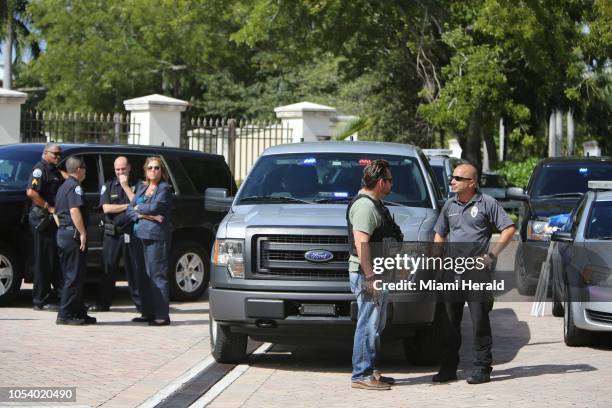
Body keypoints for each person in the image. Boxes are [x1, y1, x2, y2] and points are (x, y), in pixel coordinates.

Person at [432, 163, 516, 384]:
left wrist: (492, 255)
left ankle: (482, 367)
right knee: (450, 322)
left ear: (472, 182)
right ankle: (448, 368)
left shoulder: (487, 203)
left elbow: (508, 228)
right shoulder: (449, 205)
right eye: (452, 177)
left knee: (479, 320)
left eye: (458, 178)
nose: (453, 181)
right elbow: (440, 234)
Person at [346, 159, 403, 390]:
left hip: (378, 274)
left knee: (375, 325)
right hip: (368, 275)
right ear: (380, 182)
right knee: (367, 325)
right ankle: (361, 374)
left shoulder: (375, 204)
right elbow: (362, 244)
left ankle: (371, 371)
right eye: (389, 180)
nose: (391, 183)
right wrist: (370, 278)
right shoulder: (365, 207)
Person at [92, 156, 142, 312]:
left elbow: (140, 205)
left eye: (123, 169)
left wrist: (126, 187)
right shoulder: (108, 186)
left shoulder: (138, 185)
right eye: (117, 169)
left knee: (134, 271)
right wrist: (128, 206)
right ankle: (103, 303)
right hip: (112, 234)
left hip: (130, 234)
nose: (121, 172)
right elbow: (106, 208)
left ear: (129, 168)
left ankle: (141, 306)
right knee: (108, 269)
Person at [127, 157, 172, 326]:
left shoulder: (164, 188)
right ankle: (147, 312)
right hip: (139, 235)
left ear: (162, 171)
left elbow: (156, 207)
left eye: (157, 168)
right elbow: (130, 209)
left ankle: (161, 315)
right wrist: (143, 214)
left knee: (157, 275)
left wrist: (140, 209)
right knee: (143, 276)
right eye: (150, 168)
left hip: (156, 237)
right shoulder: (141, 187)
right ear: (145, 170)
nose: (153, 171)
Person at [54, 156, 96, 325]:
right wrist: (82, 233)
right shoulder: (74, 187)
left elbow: (56, 213)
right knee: (73, 276)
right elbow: (74, 211)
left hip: (64, 234)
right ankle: (65, 314)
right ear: (78, 170)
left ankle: (78, 311)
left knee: (74, 275)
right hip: (72, 236)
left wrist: (63, 229)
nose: (86, 171)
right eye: (84, 168)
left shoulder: (62, 187)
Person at [26, 143, 65, 311]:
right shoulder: (39, 169)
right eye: (55, 154)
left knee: (53, 260)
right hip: (43, 220)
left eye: (59, 154)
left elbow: (65, 178)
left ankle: (60, 296)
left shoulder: (54, 169)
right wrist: (48, 207)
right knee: (43, 261)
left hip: (52, 221)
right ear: (45, 153)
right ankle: (40, 300)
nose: (58, 157)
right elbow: (31, 192)